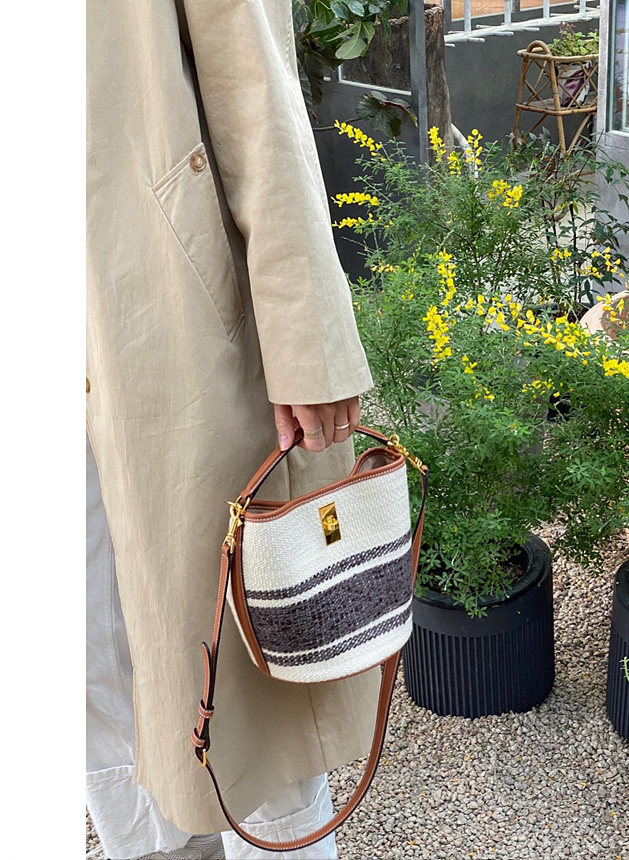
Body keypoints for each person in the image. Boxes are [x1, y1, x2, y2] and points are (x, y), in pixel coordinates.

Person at [86, 1, 379, 857]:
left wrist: (308, 342)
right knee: (83, 647)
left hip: (160, 307)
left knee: (233, 655)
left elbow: (256, 87)